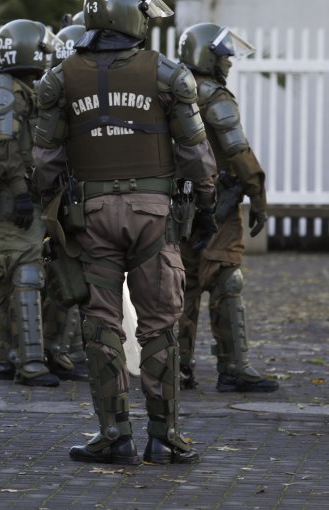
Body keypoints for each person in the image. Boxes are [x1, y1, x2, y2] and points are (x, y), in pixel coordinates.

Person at [33, 0, 218, 465]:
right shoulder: (169, 74)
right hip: (154, 214)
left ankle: (114, 434)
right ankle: (165, 435)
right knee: (159, 324)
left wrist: (48, 208)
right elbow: (196, 153)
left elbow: (44, 162)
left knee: (100, 323)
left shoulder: (60, 77)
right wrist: (208, 201)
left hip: (89, 215)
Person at [176, 23, 278, 393]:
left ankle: (177, 368)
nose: (229, 63)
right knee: (225, 279)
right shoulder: (214, 96)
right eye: (224, 56)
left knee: (181, 285)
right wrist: (258, 193)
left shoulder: (172, 89)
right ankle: (233, 368)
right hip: (217, 207)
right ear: (208, 56)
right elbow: (236, 149)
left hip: (177, 207)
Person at [0, 19, 61, 387]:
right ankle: (29, 362)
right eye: (41, 48)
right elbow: (4, 148)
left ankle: (6, 358)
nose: (46, 54)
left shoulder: (15, 87)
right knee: (24, 270)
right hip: (12, 191)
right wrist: (21, 191)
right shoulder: (4, 91)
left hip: (14, 188)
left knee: (4, 273)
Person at [40, 21, 90, 382]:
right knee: (62, 277)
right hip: (63, 194)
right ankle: (54, 348)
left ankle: (69, 348)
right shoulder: (54, 89)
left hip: (77, 192)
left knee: (79, 278)